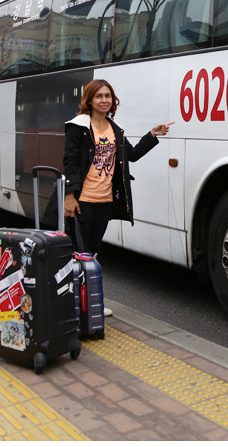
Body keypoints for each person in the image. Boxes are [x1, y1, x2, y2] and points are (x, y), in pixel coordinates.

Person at [61, 79, 172, 315]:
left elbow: (132, 155)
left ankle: (90, 303)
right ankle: (71, 303)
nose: (104, 100)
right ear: (89, 100)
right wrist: (69, 196)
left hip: (105, 201)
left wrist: (152, 135)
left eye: (108, 96)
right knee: (77, 253)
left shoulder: (115, 128)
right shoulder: (78, 127)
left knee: (92, 253)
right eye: (99, 96)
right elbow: (70, 162)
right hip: (83, 200)